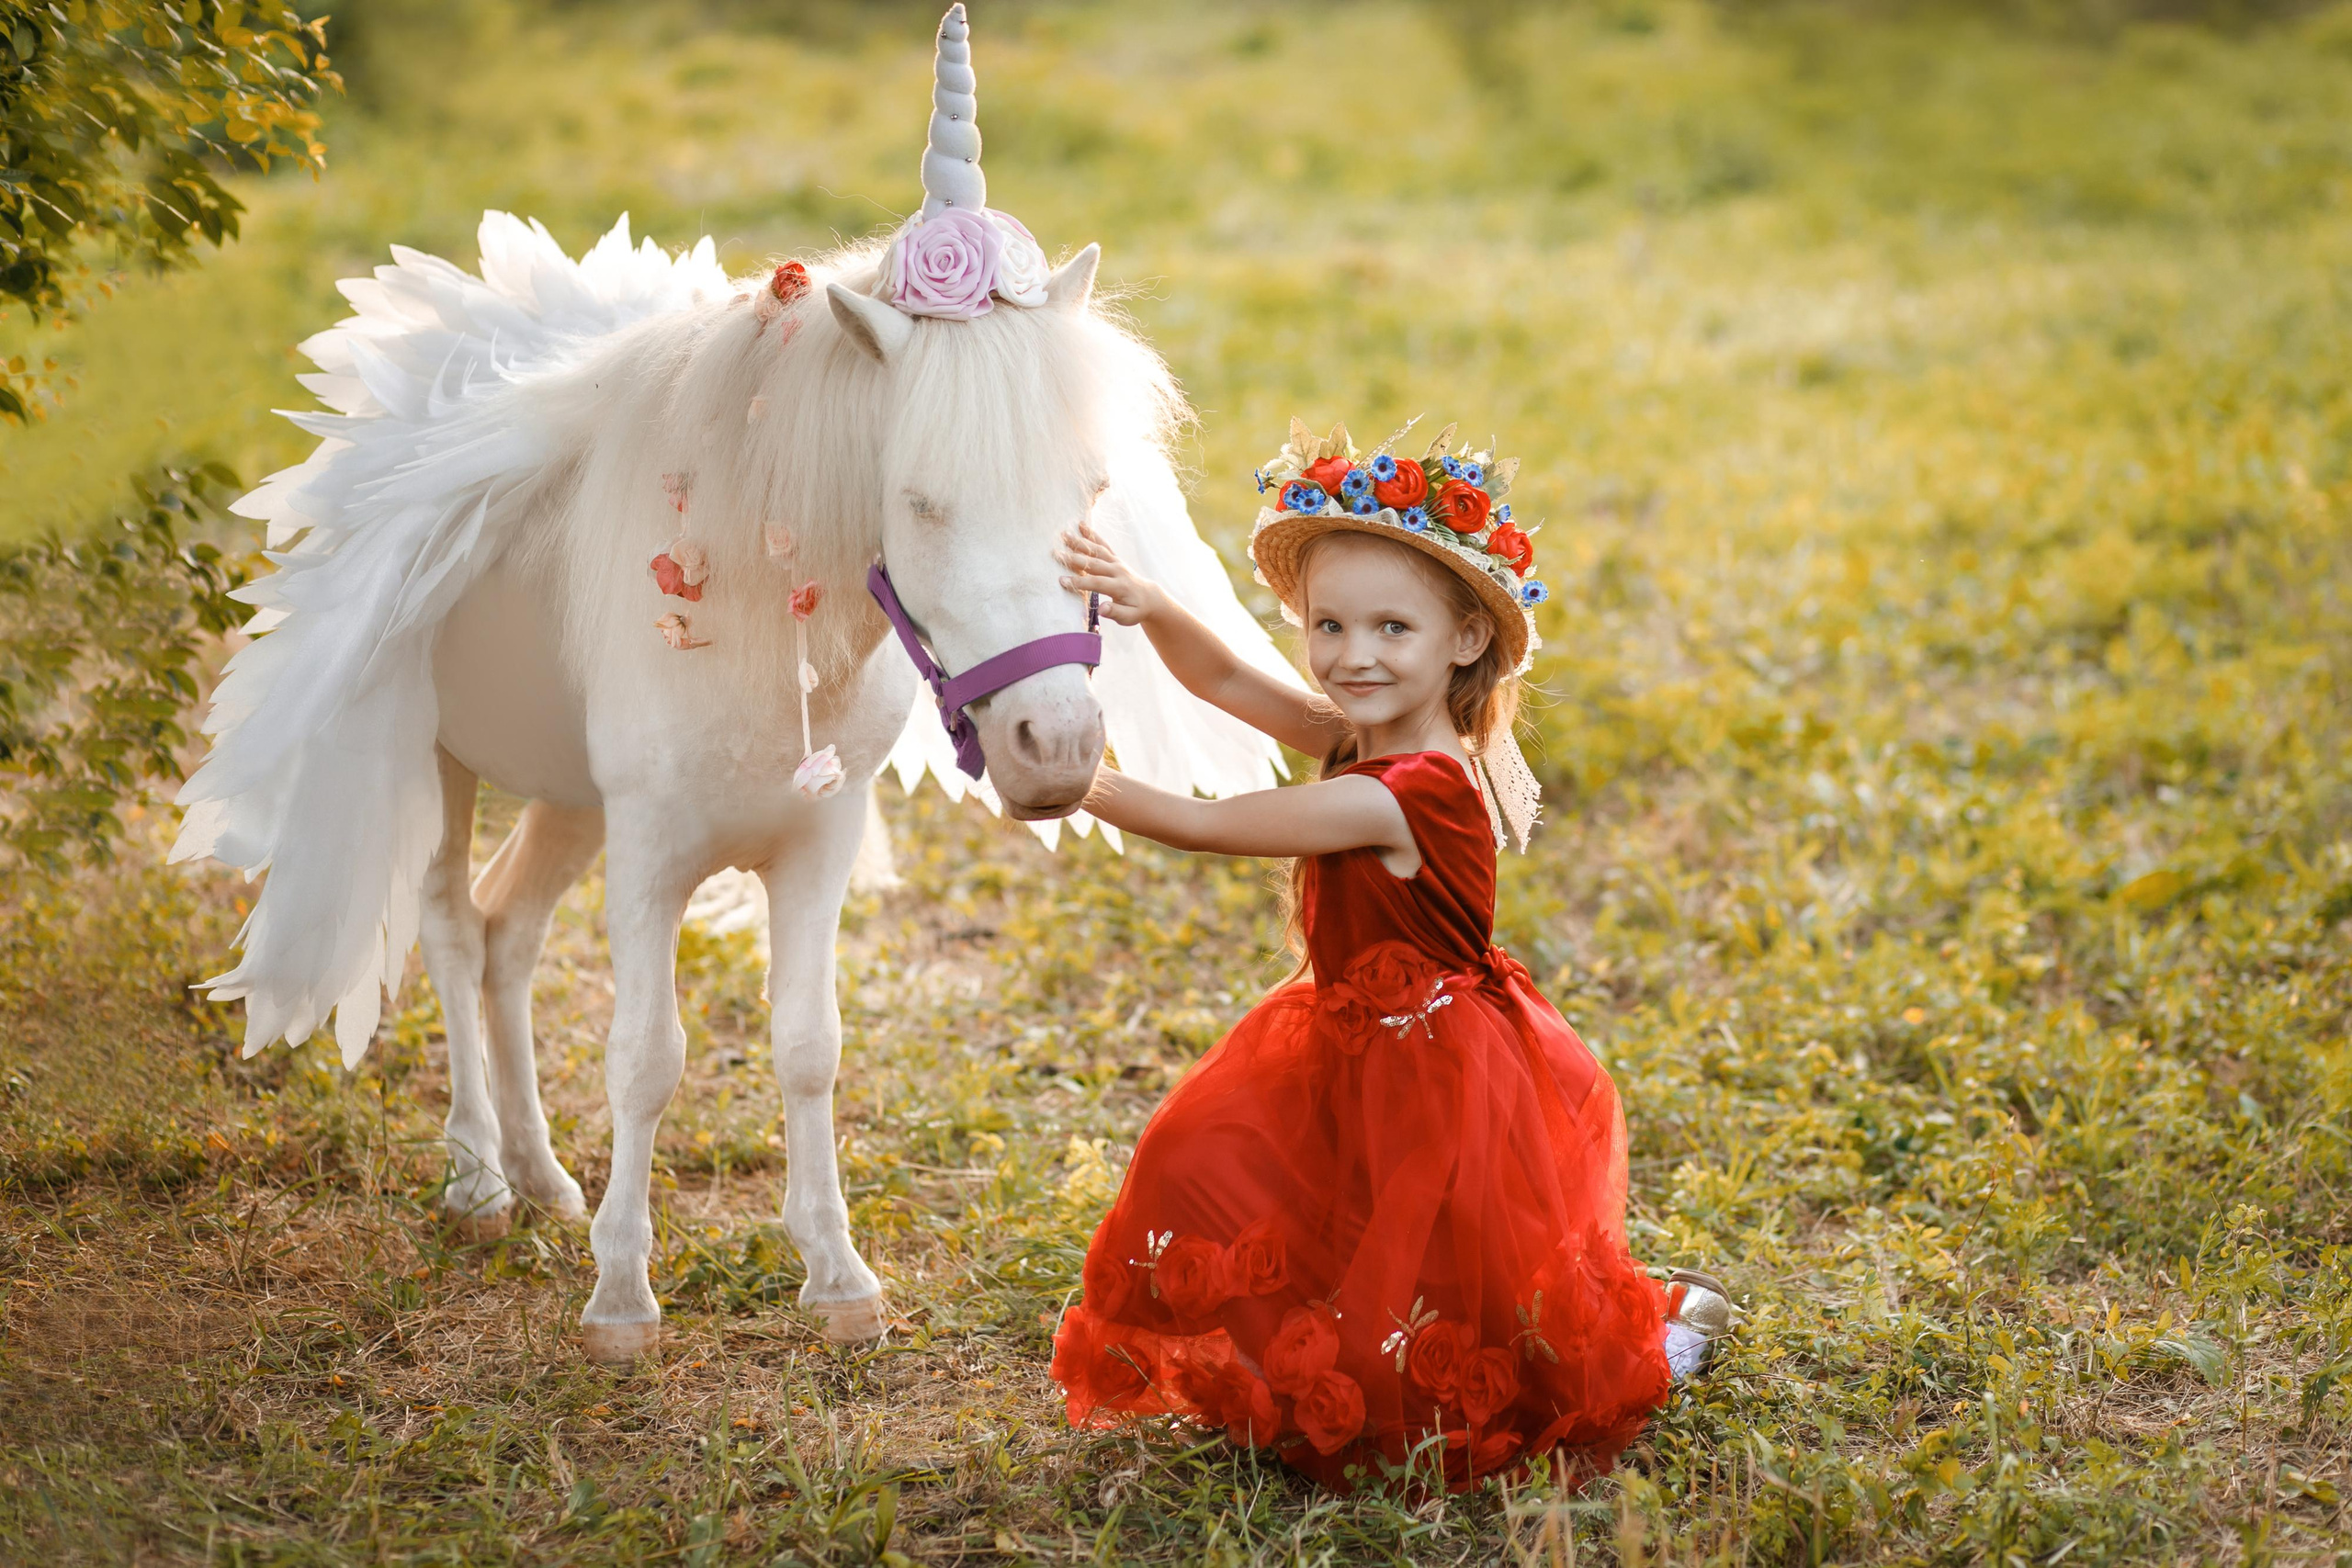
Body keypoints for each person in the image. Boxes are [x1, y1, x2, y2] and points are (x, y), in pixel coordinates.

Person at [1046, 421, 1732, 1492]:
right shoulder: (1363, 731)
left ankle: (1665, 1336)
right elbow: (1228, 675)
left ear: (1462, 642)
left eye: (1390, 628)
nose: (1352, 653)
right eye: (1328, 624)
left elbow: (1206, 824)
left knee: (1439, 1282)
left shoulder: (1402, 791)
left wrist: (1062, 774)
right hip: (1351, 1029)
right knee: (1252, 1176)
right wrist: (1147, 600)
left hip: (1436, 1062)